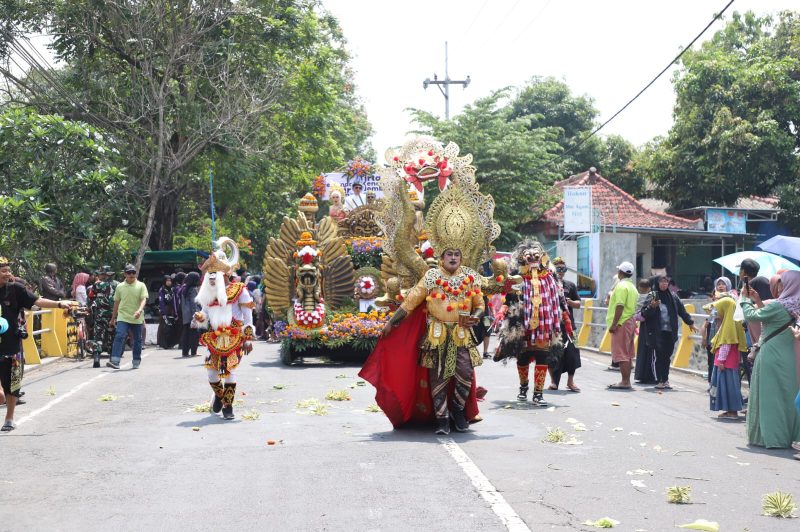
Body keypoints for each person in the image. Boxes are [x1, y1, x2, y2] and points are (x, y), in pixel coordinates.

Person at [372, 248, 484, 435]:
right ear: (441, 258)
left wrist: (477, 316)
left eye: (457, 255)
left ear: (461, 258)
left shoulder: (470, 277)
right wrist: (391, 323)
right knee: (437, 377)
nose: (453, 258)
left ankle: (457, 410)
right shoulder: (431, 277)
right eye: (449, 254)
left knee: (465, 374)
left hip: (461, 333)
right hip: (436, 333)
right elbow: (410, 303)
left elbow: (480, 304)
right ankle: (442, 419)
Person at [0, 256, 77, 431]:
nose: (8, 274)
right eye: (3, 270)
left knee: (12, 383)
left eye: (8, 270)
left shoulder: (15, 289)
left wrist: (59, 304)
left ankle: (9, 418)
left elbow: (36, 301)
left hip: (12, 343)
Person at [495, 239, 562, 406]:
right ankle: (523, 388)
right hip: (522, 325)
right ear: (522, 259)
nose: (532, 259)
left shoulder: (550, 277)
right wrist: (503, 311)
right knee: (523, 357)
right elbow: (509, 299)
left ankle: (538, 394)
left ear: (541, 258)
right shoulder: (517, 279)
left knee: (542, 356)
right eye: (529, 256)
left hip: (544, 325)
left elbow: (559, 301)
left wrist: (563, 322)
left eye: (535, 256)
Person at [193, 241, 254, 420]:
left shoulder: (239, 290)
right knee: (211, 373)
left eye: (214, 274)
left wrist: (248, 338)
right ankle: (219, 397)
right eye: (209, 274)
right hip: (214, 337)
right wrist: (200, 317)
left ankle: (228, 406)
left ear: (225, 273)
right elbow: (205, 313)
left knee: (230, 371)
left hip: (234, 336)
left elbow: (248, 316)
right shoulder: (209, 292)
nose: (210, 278)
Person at [741, 270, 800, 449]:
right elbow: (770, 316)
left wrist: (745, 299)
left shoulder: (779, 305)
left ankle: (773, 438)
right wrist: (758, 301)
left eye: (783, 283)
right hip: (790, 357)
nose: (779, 286)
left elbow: (752, 316)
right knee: (787, 397)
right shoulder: (795, 305)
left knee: (769, 398)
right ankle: (788, 436)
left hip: (771, 355)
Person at [641, 275, 696, 389]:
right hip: (657, 331)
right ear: (657, 283)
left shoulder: (673, 297)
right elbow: (644, 313)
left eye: (666, 282)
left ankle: (665, 380)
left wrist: (690, 322)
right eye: (661, 281)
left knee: (667, 357)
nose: (664, 284)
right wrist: (652, 306)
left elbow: (682, 311)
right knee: (659, 356)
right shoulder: (653, 296)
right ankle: (660, 380)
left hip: (670, 332)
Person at [706, 296, 747, 419]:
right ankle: (732, 410)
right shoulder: (731, 324)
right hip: (730, 363)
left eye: (719, 311)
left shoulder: (728, 327)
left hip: (725, 364)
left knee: (727, 387)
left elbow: (726, 345)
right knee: (731, 386)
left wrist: (720, 361)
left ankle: (732, 411)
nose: (717, 314)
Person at [549, 257, 581, 392]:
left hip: (570, 325)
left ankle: (570, 381)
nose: (561, 272)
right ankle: (554, 382)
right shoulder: (548, 284)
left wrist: (570, 302)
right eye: (558, 269)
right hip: (553, 325)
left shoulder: (570, 285)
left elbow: (578, 304)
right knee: (552, 354)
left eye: (563, 269)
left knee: (573, 353)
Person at [107, 264, 148, 370]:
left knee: (137, 340)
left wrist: (139, 310)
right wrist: (113, 318)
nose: (131, 275)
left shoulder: (141, 285)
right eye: (129, 273)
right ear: (125, 274)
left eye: (133, 272)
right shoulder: (120, 287)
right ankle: (115, 361)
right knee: (120, 335)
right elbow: (116, 303)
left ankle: (136, 361)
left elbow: (144, 299)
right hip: (123, 316)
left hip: (136, 317)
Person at [606, 262, 639, 390]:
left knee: (621, 353)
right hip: (629, 321)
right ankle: (626, 381)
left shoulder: (621, 286)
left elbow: (620, 306)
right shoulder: (632, 287)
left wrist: (614, 324)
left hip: (621, 322)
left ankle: (625, 381)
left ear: (620, 272)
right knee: (628, 353)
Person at [88, 265, 118, 363]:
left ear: (103, 274)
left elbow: (91, 296)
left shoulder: (97, 285)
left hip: (100, 314)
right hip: (113, 315)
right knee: (112, 335)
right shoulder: (118, 285)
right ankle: (112, 357)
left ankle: (97, 357)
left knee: (98, 336)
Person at [738, 258, 772, 344]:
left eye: (740, 269)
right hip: (756, 327)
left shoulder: (750, 285)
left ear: (743, 271)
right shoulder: (760, 282)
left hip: (754, 329)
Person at [634, 278, 657, 384]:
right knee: (647, 351)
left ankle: (643, 375)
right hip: (649, 326)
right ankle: (648, 376)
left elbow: (645, 311)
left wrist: (643, 313)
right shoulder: (653, 295)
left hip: (646, 326)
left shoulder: (650, 296)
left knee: (645, 350)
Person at [179, 272, 201, 358]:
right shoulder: (193, 290)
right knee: (194, 335)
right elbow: (193, 304)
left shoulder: (184, 289)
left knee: (186, 334)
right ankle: (193, 352)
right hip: (192, 315)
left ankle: (185, 353)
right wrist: (195, 316)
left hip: (185, 315)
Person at [157, 275, 179, 349]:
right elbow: (161, 302)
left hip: (172, 310)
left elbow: (175, 301)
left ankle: (170, 343)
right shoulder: (162, 290)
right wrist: (163, 313)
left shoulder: (172, 289)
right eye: (167, 281)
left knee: (171, 327)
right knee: (163, 327)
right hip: (164, 310)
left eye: (170, 280)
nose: (169, 282)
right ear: (164, 281)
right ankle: (160, 344)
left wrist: (175, 312)